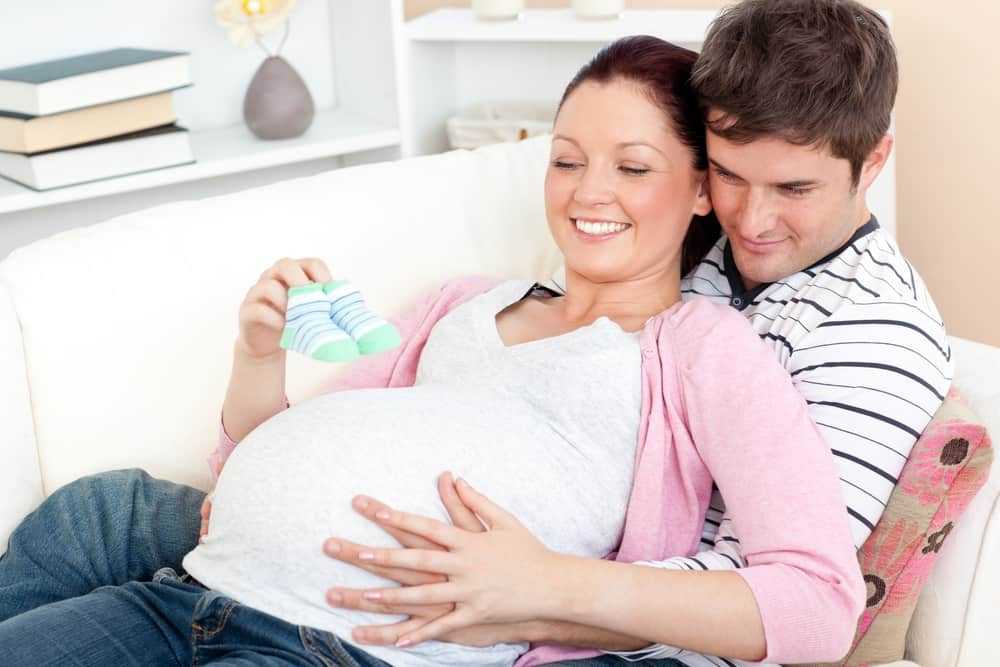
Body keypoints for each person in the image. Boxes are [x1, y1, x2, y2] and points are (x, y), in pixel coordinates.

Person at [0, 35, 863, 667]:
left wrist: (548, 585)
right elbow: (249, 472)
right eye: (567, 161)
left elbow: (819, 603)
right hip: (182, 594)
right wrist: (258, 354)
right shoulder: (461, 302)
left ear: (703, 190)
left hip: (338, 650)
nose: (588, 192)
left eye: (632, 168)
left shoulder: (703, 350)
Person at [316, 2, 952, 666]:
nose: (751, 219)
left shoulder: (876, 333)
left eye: (794, 188)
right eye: (729, 176)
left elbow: (789, 590)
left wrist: (539, 591)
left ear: (872, 160)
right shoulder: (693, 246)